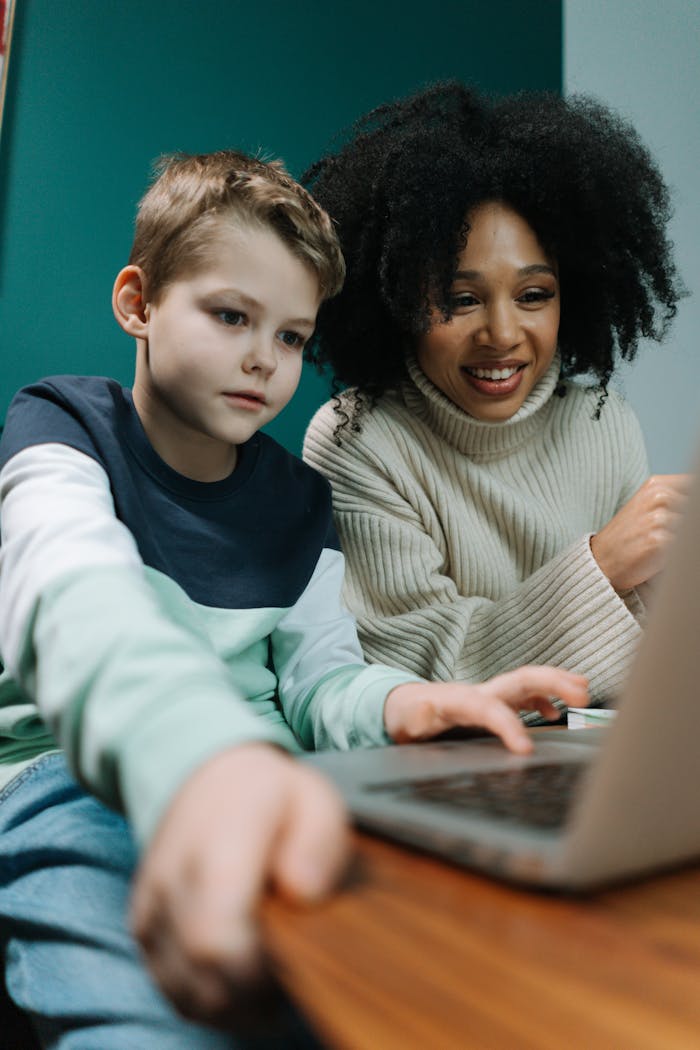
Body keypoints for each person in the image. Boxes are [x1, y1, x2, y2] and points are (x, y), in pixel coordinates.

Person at [0, 149, 588, 1048]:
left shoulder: (301, 499)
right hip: (72, 779)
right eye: (232, 315)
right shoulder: (63, 427)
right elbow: (71, 603)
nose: (262, 360)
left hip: (273, 782)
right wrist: (205, 758)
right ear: (139, 304)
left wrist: (409, 701)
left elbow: (319, 681)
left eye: (290, 337)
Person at [302, 82, 688, 711]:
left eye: (534, 295)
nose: (503, 335)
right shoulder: (358, 439)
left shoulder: (604, 423)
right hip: (440, 771)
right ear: (397, 299)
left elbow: (649, 658)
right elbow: (418, 671)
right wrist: (603, 566)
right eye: (461, 299)